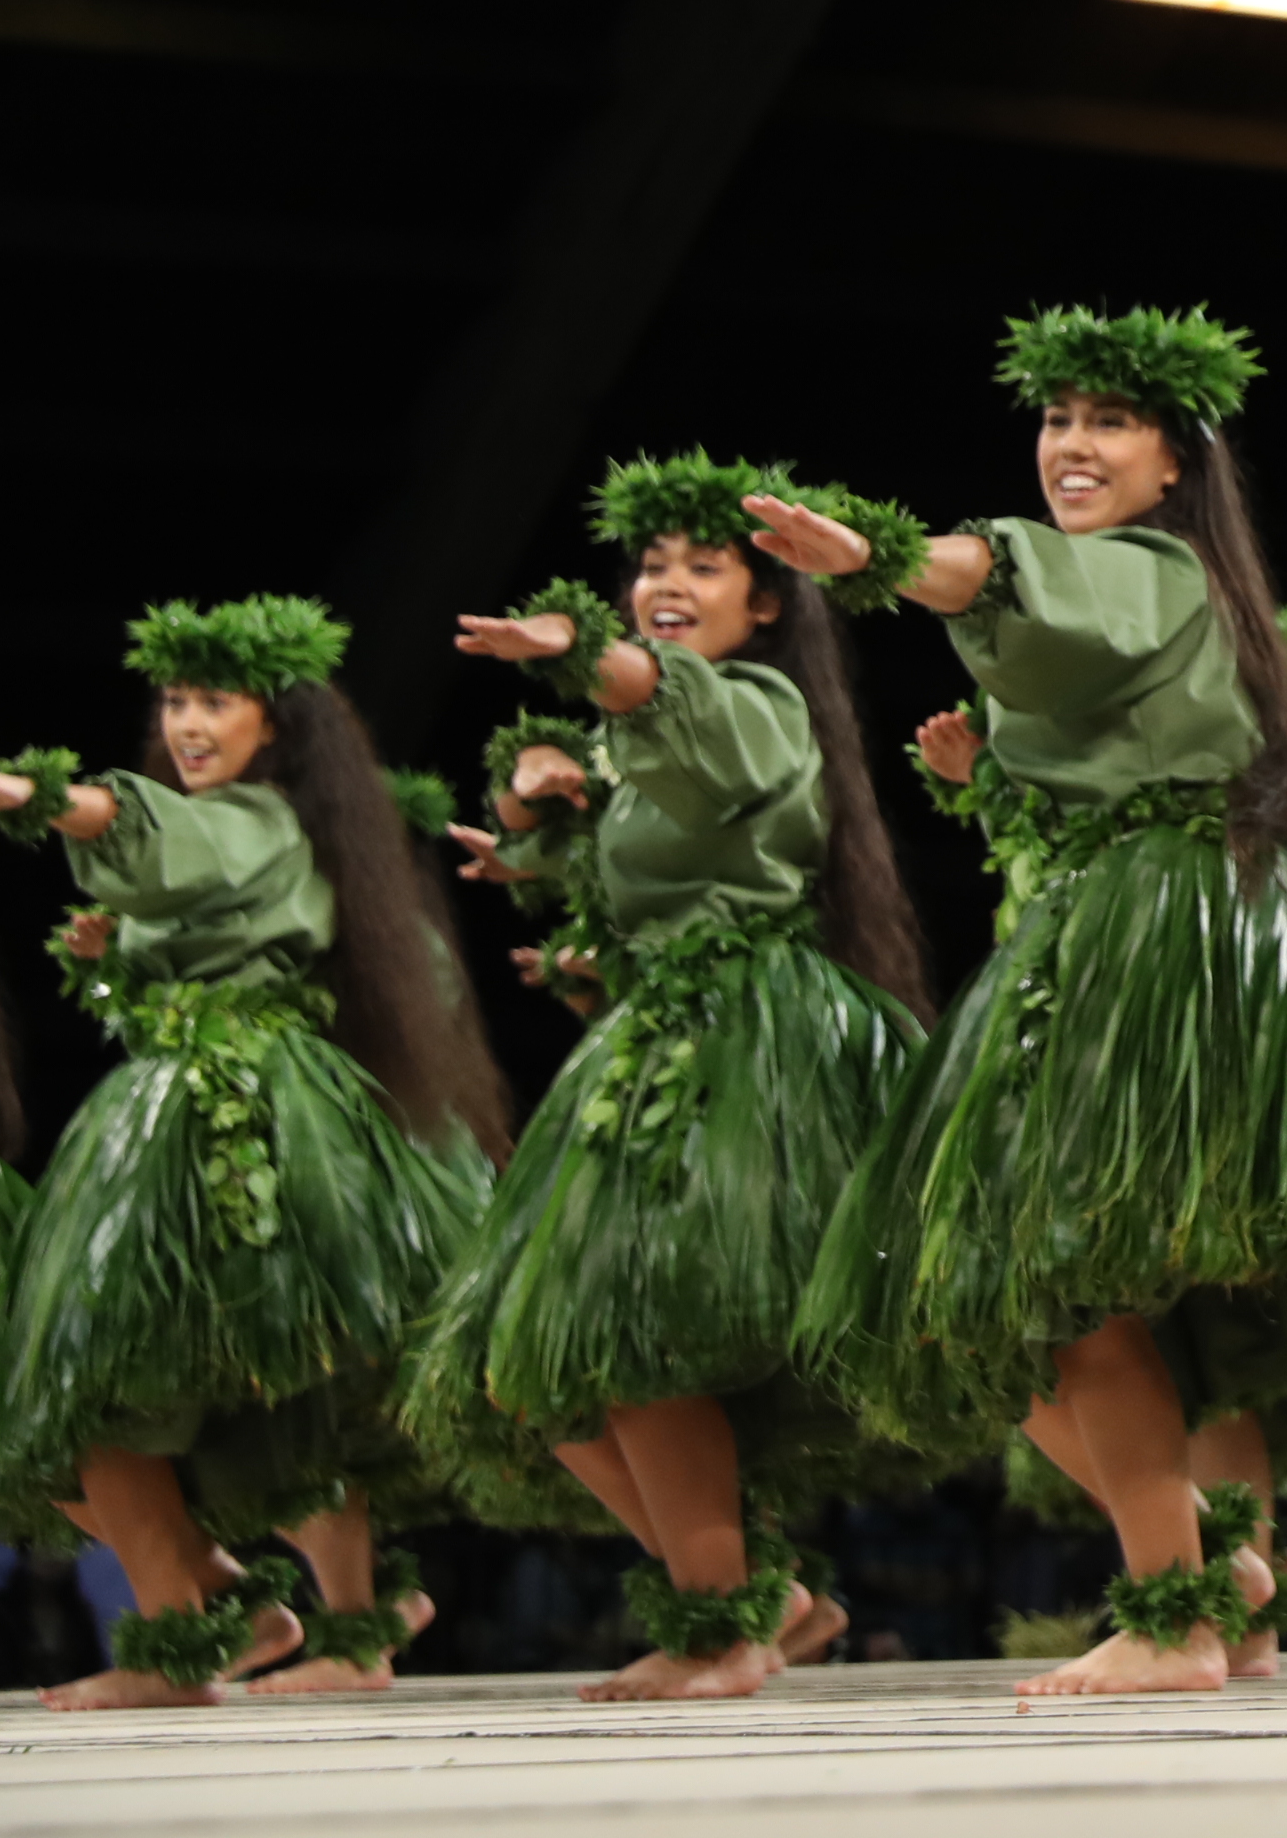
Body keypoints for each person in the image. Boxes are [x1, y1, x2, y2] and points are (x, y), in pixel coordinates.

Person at [758, 305, 1287, 1697]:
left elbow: (996, 575)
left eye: (1108, 421)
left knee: (1053, 1286)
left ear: (1176, 464)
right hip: (1098, 933)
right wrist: (987, 784)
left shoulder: (1153, 571)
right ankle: (1207, 1568)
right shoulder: (1128, 585)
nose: (1072, 444)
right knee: (1004, 1292)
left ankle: (1177, 1604)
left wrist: (875, 556)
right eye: (1056, 420)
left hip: (1160, 939)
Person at [414, 450, 939, 1699]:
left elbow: (650, 693)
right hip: (652, 1040)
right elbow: (638, 814)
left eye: (705, 564)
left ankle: (721, 1622)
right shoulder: (641, 739)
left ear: (763, 603)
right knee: (544, 1364)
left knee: (635, 1338)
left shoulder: (752, 700)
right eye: (652, 563)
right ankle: (763, 1593)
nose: (668, 581)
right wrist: (544, 847)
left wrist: (571, 645)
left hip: (741, 1044)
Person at [0, 599, 510, 1709]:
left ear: (273, 723)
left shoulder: (251, 820)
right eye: (175, 699)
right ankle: (340, 1622)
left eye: (212, 700)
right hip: (223, 1112)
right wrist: (116, 962)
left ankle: (188, 1620)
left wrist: (32, 795)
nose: (185, 721)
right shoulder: (277, 829)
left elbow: (155, 834)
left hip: (234, 1121)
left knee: (94, 1383)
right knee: (285, 1387)